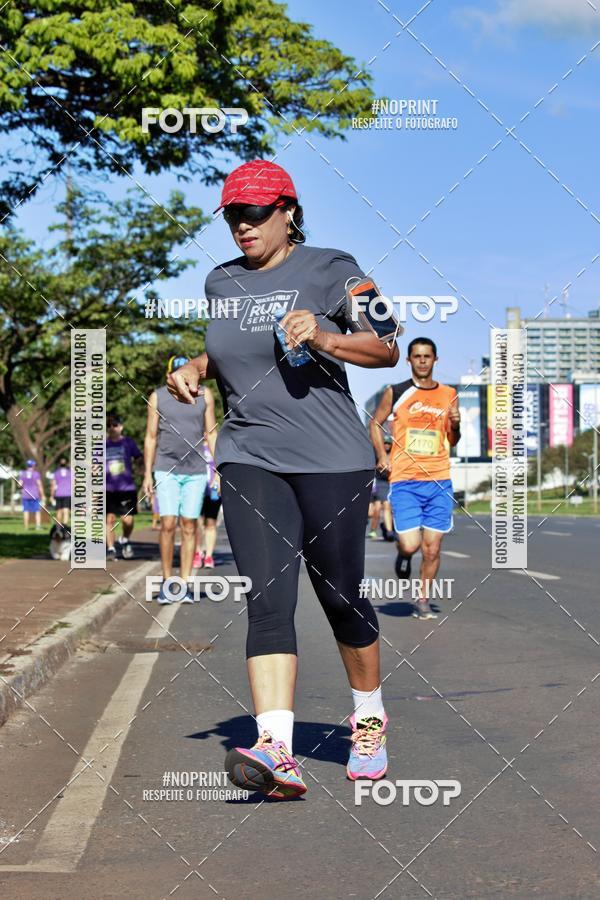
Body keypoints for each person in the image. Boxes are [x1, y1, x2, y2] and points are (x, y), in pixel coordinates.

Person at [167, 159, 400, 799]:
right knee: (267, 597)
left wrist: (324, 336)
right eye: (233, 215)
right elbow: (227, 351)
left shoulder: (333, 267)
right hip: (249, 454)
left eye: (255, 213)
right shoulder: (220, 282)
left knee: (341, 597)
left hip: (332, 457)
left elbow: (386, 346)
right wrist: (193, 365)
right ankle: (277, 748)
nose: (242, 225)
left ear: (288, 211)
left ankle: (370, 716)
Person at [370, 338, 461, 620]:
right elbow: (375, 423)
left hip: (439, 480)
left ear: (435, 360)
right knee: (411, 544)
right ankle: (404, 554)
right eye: (417, 356)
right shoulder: (396, 392)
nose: (422, 361)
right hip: (405, 481)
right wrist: (381, 456)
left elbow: (453, 440)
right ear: (409, 360)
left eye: (427, 356)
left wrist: (455, 424)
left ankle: (422, 600)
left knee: (432, 548)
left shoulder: (449, 394)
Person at [143, 356, 217, 603]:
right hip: (166, 469)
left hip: (195, 470)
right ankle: (167, 582)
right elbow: (151, 437)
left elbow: (211, 432)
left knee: (189, 525)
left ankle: (184, 583)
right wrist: (147, 473)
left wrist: (217, 469)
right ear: (169, 376)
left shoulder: (204, 396)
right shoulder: (158, 397)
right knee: (167, 524)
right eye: (176, 374)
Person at [106, 413, 142, 561]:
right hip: (107, 488)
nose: (112, 428)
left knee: (128, 520)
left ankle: (125, 539)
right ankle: (110, 548)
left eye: (114, 425)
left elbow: (139, 457)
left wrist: (142, 468)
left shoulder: (129, 443)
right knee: (109, 520)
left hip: (126, 488)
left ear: (121, 427)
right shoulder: (102, 445)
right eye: (109, 425)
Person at [193, 442, 221, 570]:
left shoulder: (216, 446)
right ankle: (198, 553)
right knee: (196, 524)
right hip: (196, 490)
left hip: (213, 491)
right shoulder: (194, 444)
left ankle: (209, 556)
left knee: (211, 523)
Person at [367, 435, 394, 541]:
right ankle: (376, 529)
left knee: (385, 507)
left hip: (388, 483)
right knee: (374, 510)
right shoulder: (377, 454)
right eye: (385, 443)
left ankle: (388, 530)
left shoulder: (393, 455)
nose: (386, 445)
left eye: (388, 443)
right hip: (376, 483)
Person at [18, 459, 45, 530]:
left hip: (25, 495)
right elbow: (39, 485)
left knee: (26, 511)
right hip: (35, 495)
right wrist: (42, 495)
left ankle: (26, 527)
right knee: (37, 511)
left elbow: (19, 485)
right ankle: (38, 526)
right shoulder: (36, 474)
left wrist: (20, 485)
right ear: (33, 465)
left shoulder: (23, 474)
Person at [49, 458, 71, 525]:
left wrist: (52, 495)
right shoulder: (70, 472)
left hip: (59, 493)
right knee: (66, 511)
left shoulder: (56, 473)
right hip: (68, 494)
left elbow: (53, 485)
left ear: (59, 464)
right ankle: (65, 526)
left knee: (59, 511)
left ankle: (58, 526)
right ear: (67, 464)